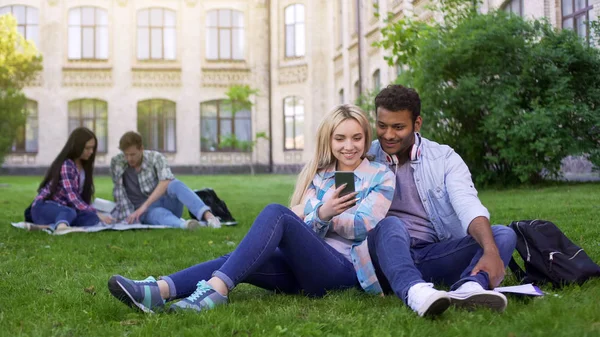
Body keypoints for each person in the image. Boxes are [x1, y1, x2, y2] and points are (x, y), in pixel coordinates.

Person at [107, 104, 395, 313]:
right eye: (340, 138)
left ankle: (217, 291)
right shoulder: (320, 176)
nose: (349, 147)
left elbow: (364, 226)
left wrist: (320, 213)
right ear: (329, 140)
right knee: (241, 256)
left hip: (343, 270)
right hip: (303, 268)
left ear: (366, 138)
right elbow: (306, 232)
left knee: (275, 213)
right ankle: (159, 291)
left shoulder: (380, 175)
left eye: (357, 138)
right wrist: (317, 216)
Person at [365, 85, 517, 317]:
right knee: (391, 224)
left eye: (398, 127)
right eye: (382, 125)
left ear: (417, 124)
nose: (388, 135)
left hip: (432, 255)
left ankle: (470, 287)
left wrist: (491, 250)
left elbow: (468, 205)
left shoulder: (444, 158)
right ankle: (414, 292)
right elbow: (338, 190)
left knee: (502, 235)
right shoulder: (364, 155)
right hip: (386, 256)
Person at [110, 131, 221, 229]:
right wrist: (131, 214)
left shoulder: (156, 157)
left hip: (163, 203)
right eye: (126, 154)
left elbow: (166, 180)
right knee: (157, 213)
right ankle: (185, 225)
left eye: (133, 154)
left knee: (174, 183)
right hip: (145, 212)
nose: (129, 159)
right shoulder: (117, 162)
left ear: (141, 149)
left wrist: (144, 206)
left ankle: (209, 217)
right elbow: (119, 193)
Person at [30, 127, 112, 234]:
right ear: (77, 147)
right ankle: (61, 229)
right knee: (69, 211)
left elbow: (81, 199)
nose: (91, 152)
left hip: (67, 209)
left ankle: (49, 226)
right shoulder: (67, 164)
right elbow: (72, 197)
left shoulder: (84, 166)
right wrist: (96, 212)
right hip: (44, 207)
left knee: (91, 219)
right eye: (87, 148)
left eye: (92, 148)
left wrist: (95, 214)